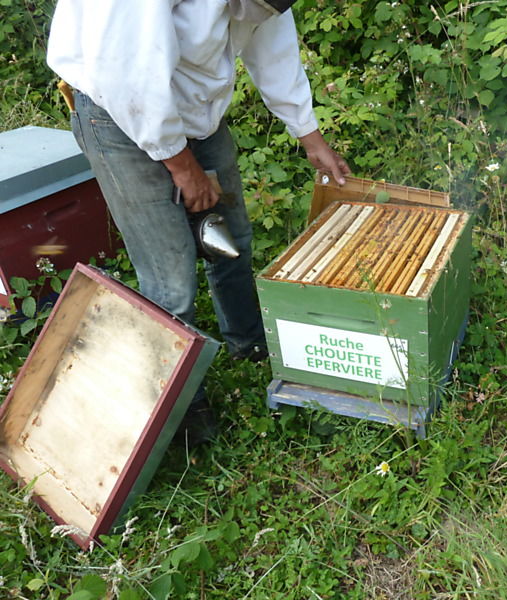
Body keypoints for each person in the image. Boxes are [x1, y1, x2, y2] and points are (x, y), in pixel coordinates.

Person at [47, 0, 351, 445]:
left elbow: (273, 49)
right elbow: (127, 75)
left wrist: (310, 135)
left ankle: (248, 342)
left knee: (232, 240)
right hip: (118, 115)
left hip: (196, 114)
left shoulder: (265, 5)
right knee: (169, 278)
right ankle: (180, 404)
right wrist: (183, 167)